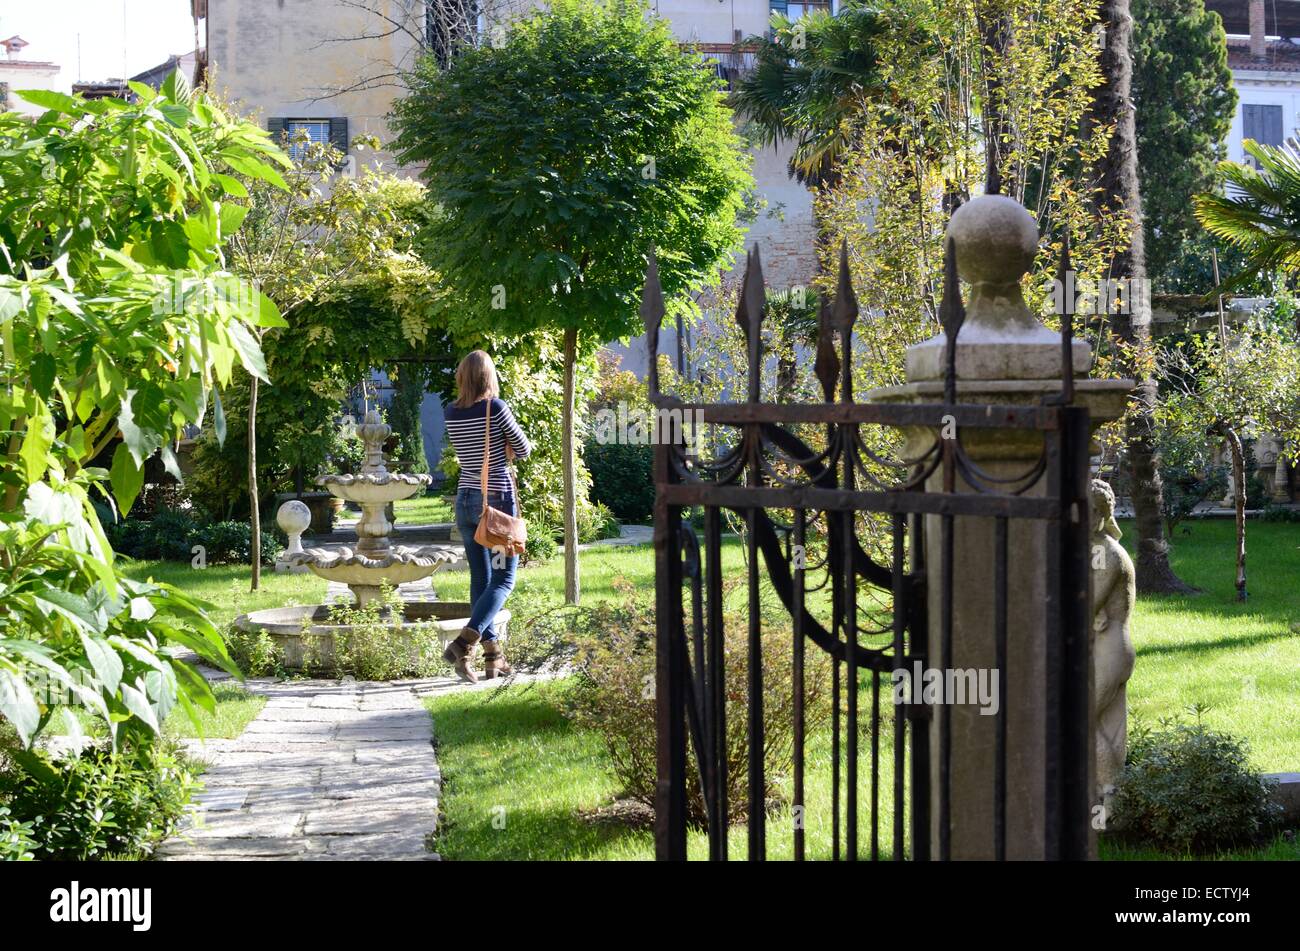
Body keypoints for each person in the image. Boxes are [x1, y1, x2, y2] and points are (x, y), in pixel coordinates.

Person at [441, 350, 532, 682]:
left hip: (465, 500)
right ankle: (464, 644)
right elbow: (523, 450)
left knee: (480, 579)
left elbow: (471, 450)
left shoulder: (451, 411)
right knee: (505, 579)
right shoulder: (496, 408)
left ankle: (494, 658)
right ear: (488, 377)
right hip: (495, 504)